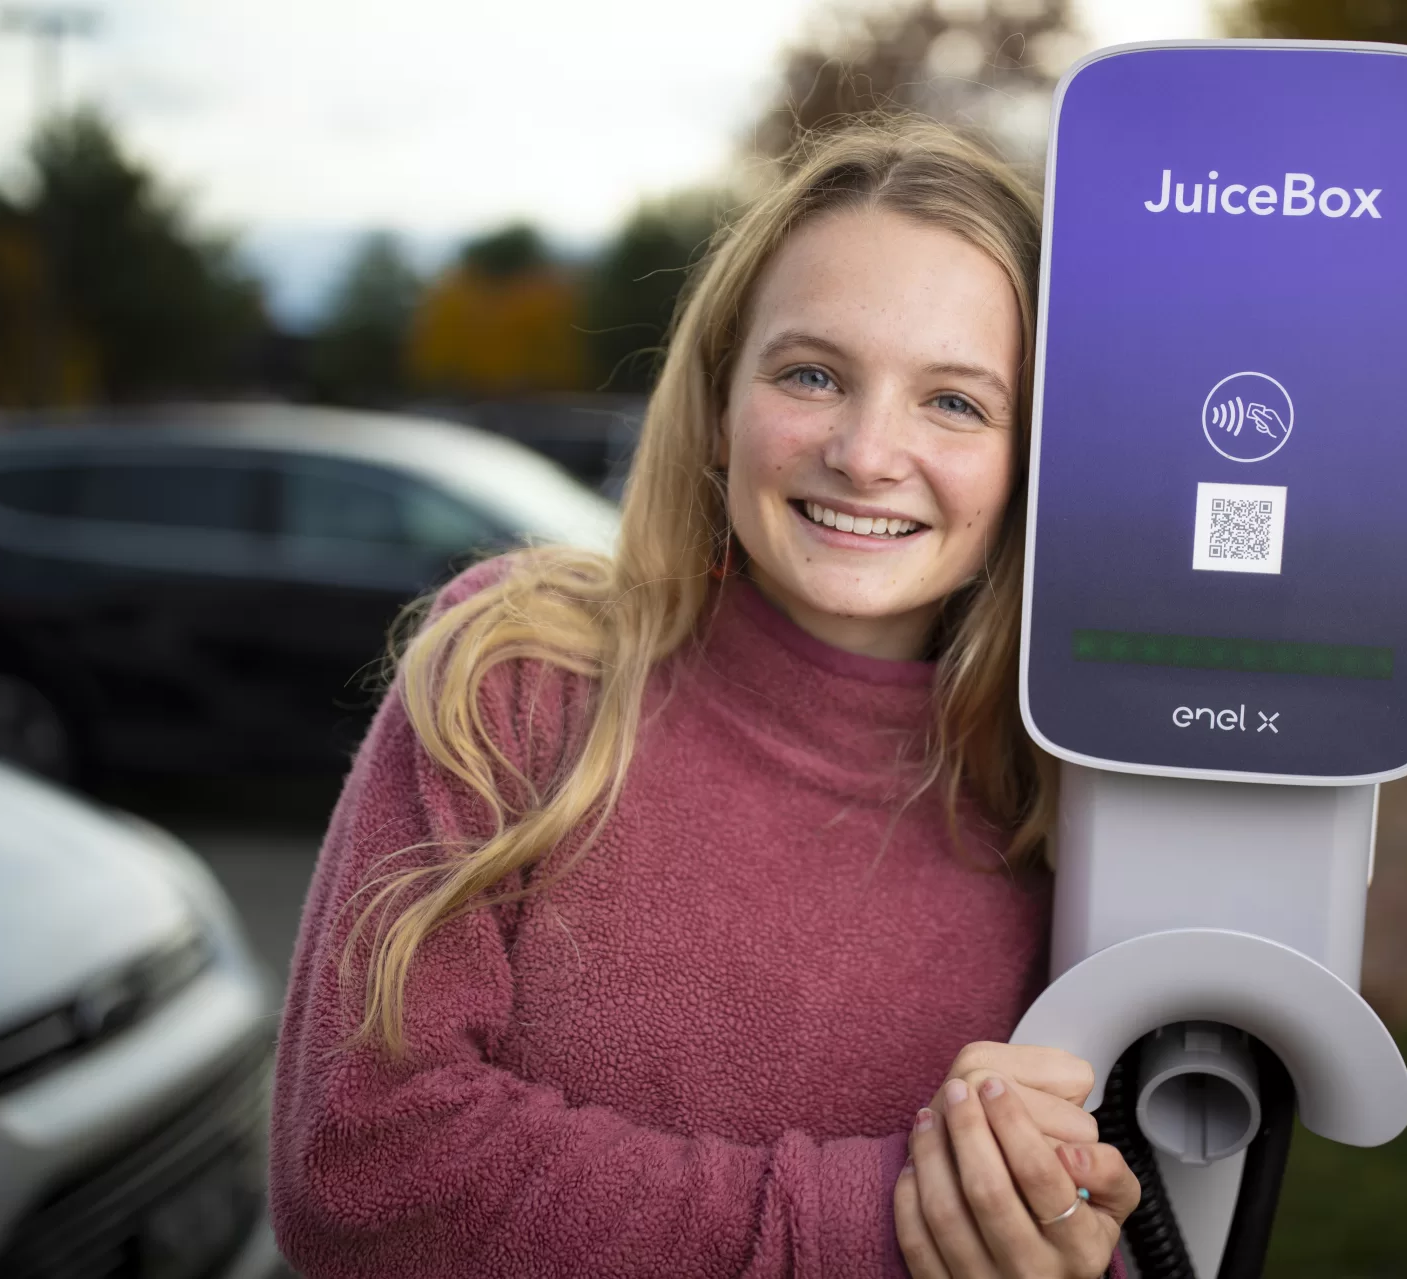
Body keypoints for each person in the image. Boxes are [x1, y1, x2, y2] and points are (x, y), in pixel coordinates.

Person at [268, 117, 1141, 1278]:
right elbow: (359, 1167)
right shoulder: (519, 671)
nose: (867, 453)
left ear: (1030, 459)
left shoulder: (1067, 804)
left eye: (955, 403)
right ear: (721, 405)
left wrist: (1046, 1222)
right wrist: (869, 1221)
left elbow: (1112, 1204)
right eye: (813, 374)